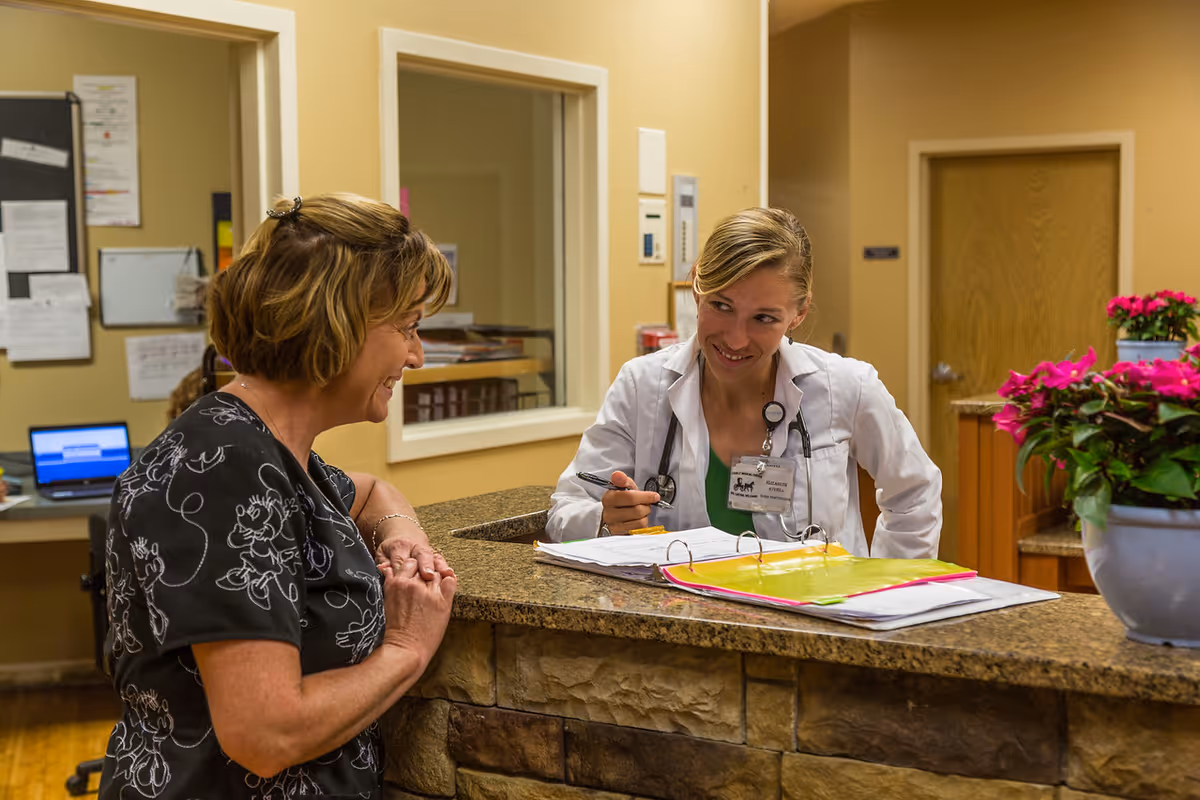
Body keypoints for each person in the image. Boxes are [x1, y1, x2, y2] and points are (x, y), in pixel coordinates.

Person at [101, 193, 458, 799]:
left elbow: (369, 492)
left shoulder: (270, 450)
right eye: (407, 328)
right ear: (337, 324)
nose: (416, 356)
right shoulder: (221, 469)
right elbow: (265, 735)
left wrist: (401, 532)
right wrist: (405, 648)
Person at [546, 207, 942, 558]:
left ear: (798, 314)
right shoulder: (642, 386)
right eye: (721, 306)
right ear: (697, 287)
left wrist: (884, 598)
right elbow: (566, 507)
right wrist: (603, 519)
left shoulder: (845, 387)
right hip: (680, 626)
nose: (735, 340)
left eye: (764, 318)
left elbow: (914, 494)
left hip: (811, 626)